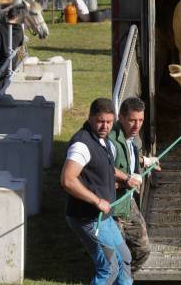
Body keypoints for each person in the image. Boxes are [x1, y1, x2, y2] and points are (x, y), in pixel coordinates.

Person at [61, 98, 134, 285]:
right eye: (101, 121)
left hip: (104, 218)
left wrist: (125, 178)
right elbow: (68, 180)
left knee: (125, 258)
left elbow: (106, 168)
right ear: (91, 118)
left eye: (109, 122)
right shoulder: (82, 145)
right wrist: (96, 200)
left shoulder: (104, 142)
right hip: (88, 219)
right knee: (109, 268)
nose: (105, 126)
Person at [108, 97, 160, 273]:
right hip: (111, 206)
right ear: (121, 118)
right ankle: (116, 277)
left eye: (141, 120)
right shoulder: (110, 140)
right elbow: (104, 166)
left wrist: (144, 160)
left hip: (127, 203)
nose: (137, 125)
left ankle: (125, 276)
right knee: (115, 256)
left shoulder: (131, 138)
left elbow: (127, 157)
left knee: (143, 250)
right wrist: (126, 179)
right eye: (132, 120)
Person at [0, 5, 24, 76]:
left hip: (1, 62)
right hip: (14, 62)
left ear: (7, 16)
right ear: (17, 16)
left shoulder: (0, 28)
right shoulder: (19, 29)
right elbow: (20, 45)